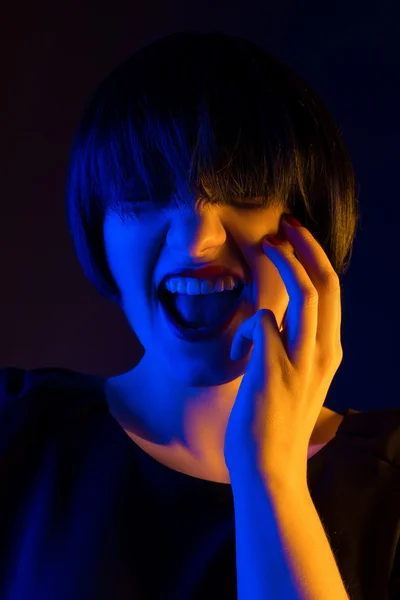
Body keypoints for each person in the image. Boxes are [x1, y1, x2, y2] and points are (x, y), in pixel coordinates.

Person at [1, 29, 399, 600]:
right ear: (101, 235)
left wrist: (272, 475)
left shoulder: (391, 484)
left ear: (307, 229)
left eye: (242, 192)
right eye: (144, 194)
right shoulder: (16, 433)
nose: (195, 243)